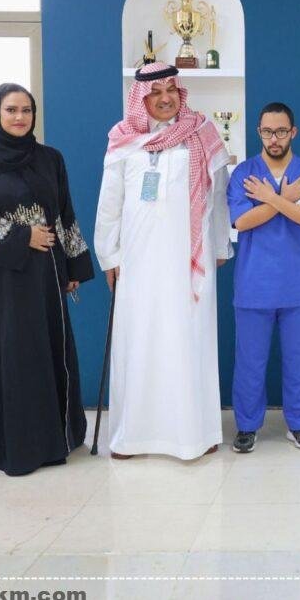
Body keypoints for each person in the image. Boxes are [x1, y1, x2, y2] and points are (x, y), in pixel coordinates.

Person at [0, 83, 94, 475]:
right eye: (11, 110)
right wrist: (22, 236)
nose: (19, 117)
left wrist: (73, 266)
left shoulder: (49, 159)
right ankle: (4, 445)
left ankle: (52, 441)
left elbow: (64, 212)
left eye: (26, 110)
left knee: (40, 350)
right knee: (6, 352)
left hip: (42, 279)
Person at [94, 62, 232, 460]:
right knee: (140, 340)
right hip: (138, 262)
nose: (165, 98)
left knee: (189, 340)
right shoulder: (123, 139)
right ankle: (132, 437)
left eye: (171, 90)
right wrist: (109, 255)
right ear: (141, 98)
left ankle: (196, 434)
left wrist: (219, 247)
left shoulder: (201, 133)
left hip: (189, 260)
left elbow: (218, 196)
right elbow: (110, 203)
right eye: (155, 93)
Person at [228, 102, 300, 453]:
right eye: (268, 131)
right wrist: (285, 199)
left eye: (281, 131)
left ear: (293, 132)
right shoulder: (245, 174)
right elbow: (242, 222)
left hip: (299, 285)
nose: (274, 138)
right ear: (259, 132)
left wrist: (270, 199)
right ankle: (246, 427)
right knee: (250, 362)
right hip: (254, 284)